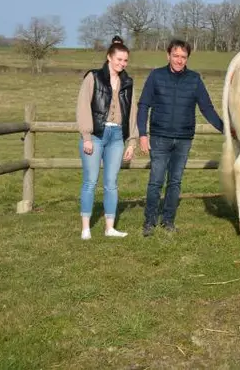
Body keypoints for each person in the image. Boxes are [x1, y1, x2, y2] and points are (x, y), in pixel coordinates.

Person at [137, 39, 224, 236]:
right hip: (159, 137)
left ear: (187, 59)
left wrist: (225, 129)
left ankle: (168, 220)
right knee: (156, 181)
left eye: (183, 57)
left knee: (175, 182)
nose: (179, 60)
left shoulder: (194, 79)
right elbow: (143, 105)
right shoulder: (156, 76)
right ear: (168, 55)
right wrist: (143, 134)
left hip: (183, 139)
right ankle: (149, 221)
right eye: (175, 56)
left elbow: (206, 108)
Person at [76, 36, 137, 240]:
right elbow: (83, 105)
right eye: (119, 59)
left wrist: (132, 141)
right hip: (95, 134)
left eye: (125, 60)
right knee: (90, 181)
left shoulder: (127, 82)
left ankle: (109, 228)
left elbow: (133, 112)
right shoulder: (93, 77)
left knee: (111, 182)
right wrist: (86, 136)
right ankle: (86, 228)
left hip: (117, 135)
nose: (122, 63)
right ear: (109, 57)